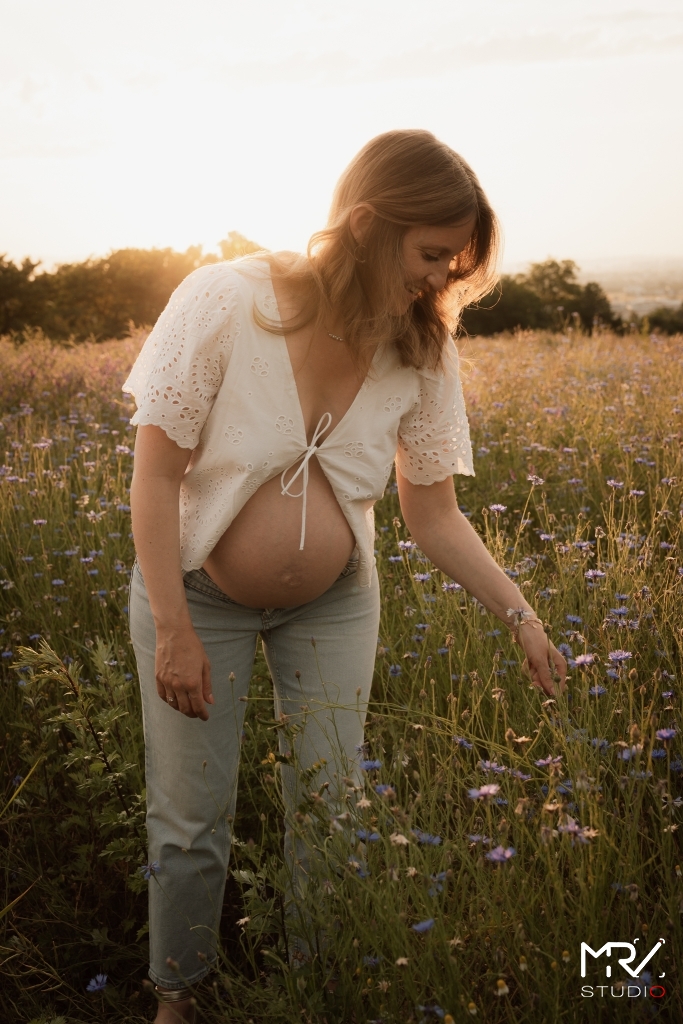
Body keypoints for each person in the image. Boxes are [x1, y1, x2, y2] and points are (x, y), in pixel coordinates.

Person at [125, 129, 567, 1022]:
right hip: (196, 598)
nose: (442, 277)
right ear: (366, 223)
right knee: (190, 820)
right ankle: (178, 998)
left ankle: (314, 991)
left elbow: (432, 512)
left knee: (330, 810)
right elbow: (156, 472)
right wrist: (171, 627)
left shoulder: (422, 346)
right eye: (431, 253)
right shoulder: (227, 299)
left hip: (333, 606)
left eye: (456, 259)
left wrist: (520, 615)